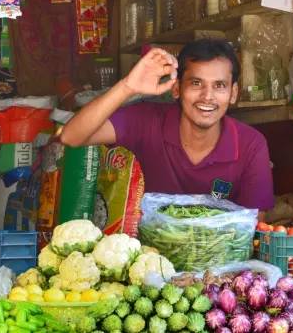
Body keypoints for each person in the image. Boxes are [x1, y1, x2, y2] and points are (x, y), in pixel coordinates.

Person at [60, 39, 274, 212]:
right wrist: (128, 87)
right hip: (148, 259)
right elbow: (71, 136)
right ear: (176, 89)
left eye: (219, 86)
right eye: (196, 83)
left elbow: (252, 225)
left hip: (221, 262)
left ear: (233, 93)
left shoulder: (251, 144)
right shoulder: (146, 120)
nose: (207, 97)